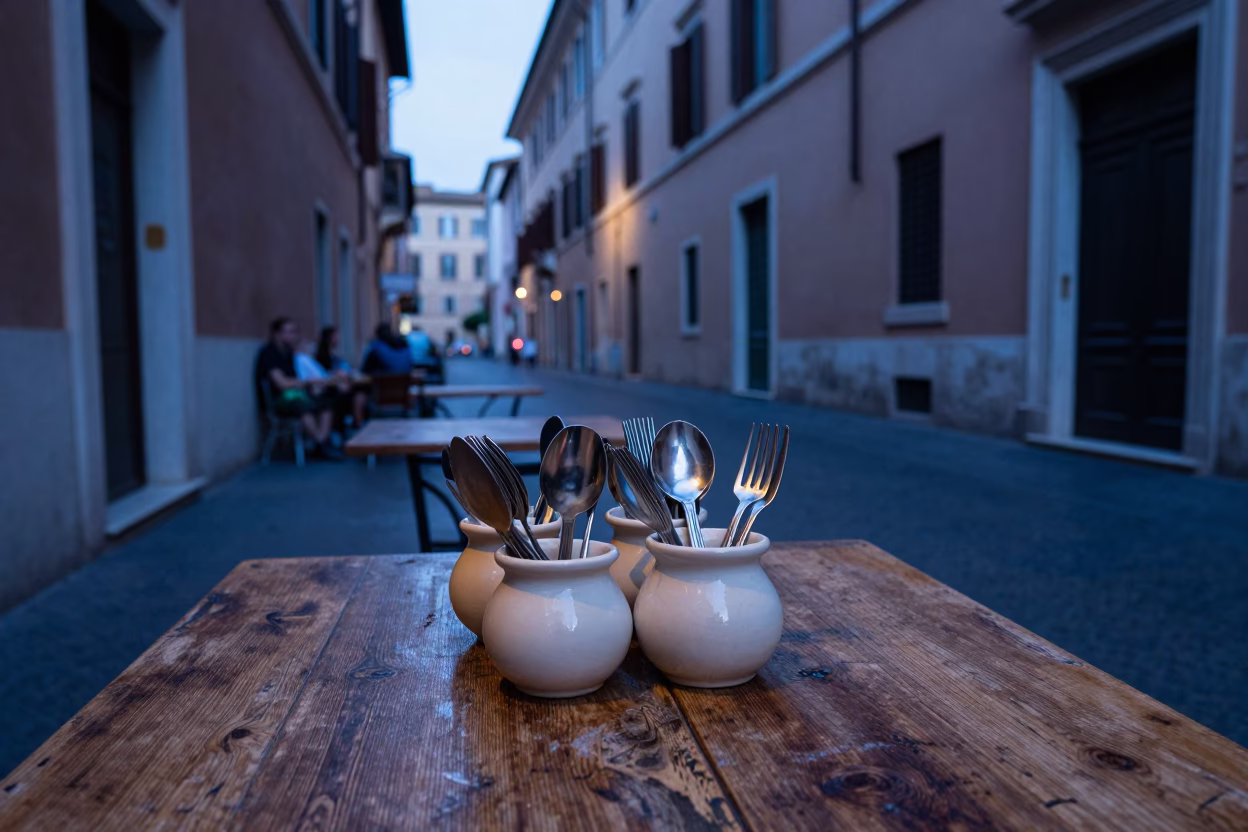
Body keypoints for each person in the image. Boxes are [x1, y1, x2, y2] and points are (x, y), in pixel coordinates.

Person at [254, 317, 342, 460]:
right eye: (289, 332)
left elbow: (299, 375)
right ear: (277, 334)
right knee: (303, 406)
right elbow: (281, 383)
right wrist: (308, 382)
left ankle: (321, 441)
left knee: (327, 403)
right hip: (281, 399)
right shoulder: (269, 354)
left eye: (294, 332)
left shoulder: (288, 354)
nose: (293, 336)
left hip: (295, 394)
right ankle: (321, 444)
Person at [315, 326, 367, 429]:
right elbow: (323, 375)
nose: (338, 339)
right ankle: (355, 423)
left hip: (339, 385)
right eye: (335, 336)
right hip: (328, 388)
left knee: (360, 392)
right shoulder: (321, 356)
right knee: (357, 393)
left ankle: (357, 423)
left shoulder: (334, 355)